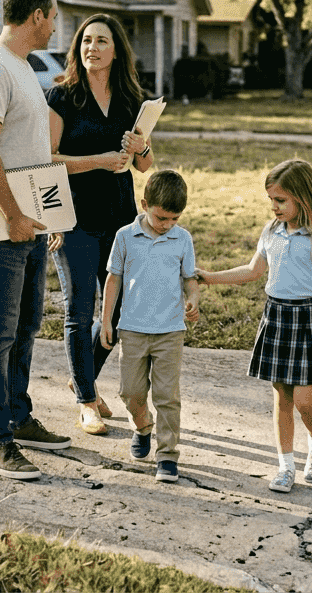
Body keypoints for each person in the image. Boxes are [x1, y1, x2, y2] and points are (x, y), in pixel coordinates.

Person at [0, 0, 72, 480]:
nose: (55, 26)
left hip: (28, 224)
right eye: (53, 17)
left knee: (25, 327)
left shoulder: (22, 67)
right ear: (36, 16)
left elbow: (31, 151)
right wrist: (11, 215)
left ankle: (18, 417)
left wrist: (47, 216)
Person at [197, 159, 312, 492]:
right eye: (271, 200)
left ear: (302, 198)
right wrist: (210, 278)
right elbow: (252, 271)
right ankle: (285, 466)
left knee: (305, 401)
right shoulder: (271, 231)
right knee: (282, 400)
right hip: (276, 316)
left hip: (308, 320)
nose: (274, 207)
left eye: (281, 200)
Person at [45, 14, 154, 436]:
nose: (92, 47)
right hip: (72, 219)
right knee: (78, 309)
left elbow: (144, 165)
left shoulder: (130, 99)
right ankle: (87, 402)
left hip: (120, 219)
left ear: (116, 50)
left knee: (120, 309)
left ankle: (82, 376)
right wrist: (99, 161)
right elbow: (47, 158)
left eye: (101, 40)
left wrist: (140, 146)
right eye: (86, 40)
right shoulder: (62, 96)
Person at [99, 169, 200, 482]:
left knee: (167, 396)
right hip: (132, 329)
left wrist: (193, 299)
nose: (167, 225)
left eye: (174, 219)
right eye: (161, 218)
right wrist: (106, 320)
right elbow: (113, 279)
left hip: (170, 331)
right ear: (144, 205)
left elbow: (190, 279)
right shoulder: (125, 237)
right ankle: (142, 426)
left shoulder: (182, 239)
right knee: (130, 392)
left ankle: (167, 455)